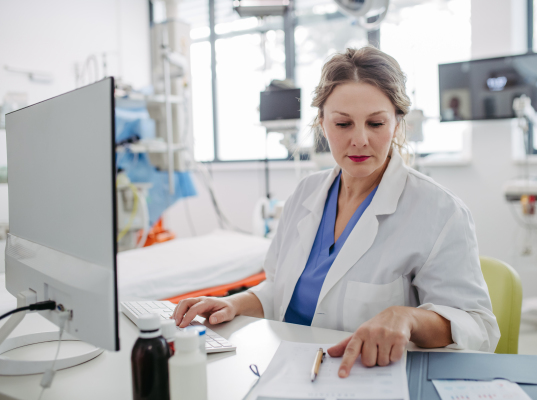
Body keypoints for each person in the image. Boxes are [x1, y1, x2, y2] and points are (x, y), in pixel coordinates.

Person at [172, 46, 500, 377]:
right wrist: (233, 304)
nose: (359, 140)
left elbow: (479, 327)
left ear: (397, 123)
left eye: (375, 123)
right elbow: (279, 290)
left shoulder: (439, 211)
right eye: (343, 124)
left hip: (370, 378)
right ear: (322, 123)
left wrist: (408, 318)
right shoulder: (305, 193)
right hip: (289, 369)